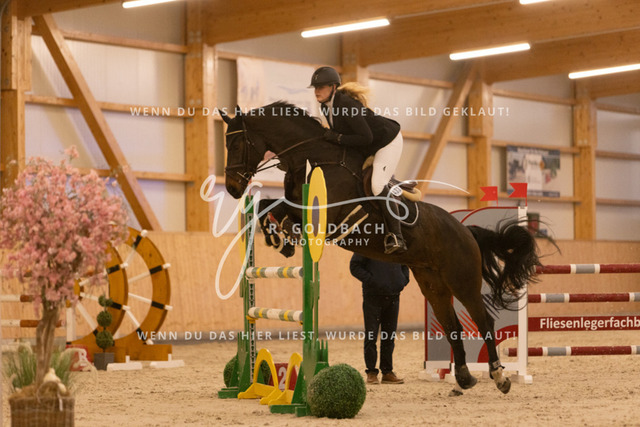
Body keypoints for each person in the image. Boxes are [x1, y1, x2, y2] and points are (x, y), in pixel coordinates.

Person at [309, 66, 407, 254]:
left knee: (377, 185)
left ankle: (397, 236)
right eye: (315, 87)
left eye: (321, 87)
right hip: (366, 145)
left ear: (333, 87)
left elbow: (366, 137)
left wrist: (337, 138)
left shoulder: (346, 105)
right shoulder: (325, 107)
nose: (316, 91)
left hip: (387, 142)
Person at [349, 253, 410, 385]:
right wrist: (372, 281)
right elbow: (354, 266)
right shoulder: (368, 243)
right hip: (372, 297)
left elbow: (404, 263)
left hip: (394, 296)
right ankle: (371, 372)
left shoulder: (396, 244)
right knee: (371, 336)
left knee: (389, 336)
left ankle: (387, 372)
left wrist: (402, 280)